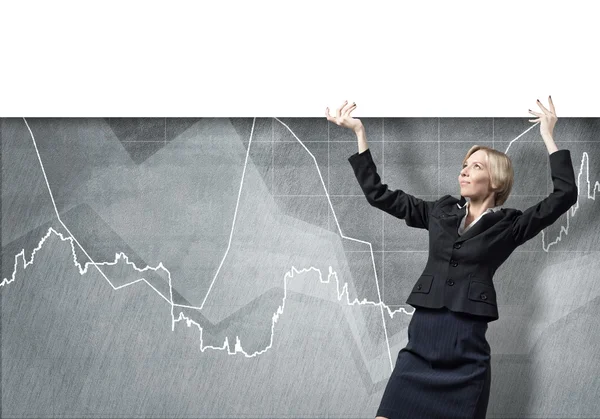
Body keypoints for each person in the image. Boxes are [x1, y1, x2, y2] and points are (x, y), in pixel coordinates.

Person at [325, 97, 577, 419]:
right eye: (464, 165)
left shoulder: (511, 225)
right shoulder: (439, 211)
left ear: (496, 180)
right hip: (421, 343)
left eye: (476, 166)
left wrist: (548, 135)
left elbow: (565, 195)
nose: (465, 171)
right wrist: (359, 132)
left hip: (466, 353)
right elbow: (379, 195)